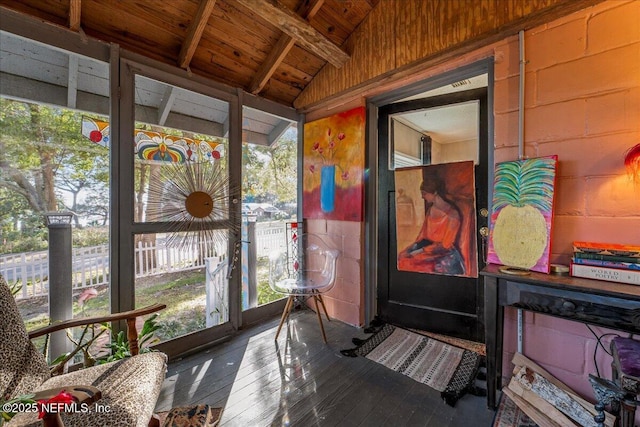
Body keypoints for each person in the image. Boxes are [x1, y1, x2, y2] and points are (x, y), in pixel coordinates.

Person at [398, 176, 465, 275]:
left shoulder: (452, 214)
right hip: (428, 250)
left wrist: (418, 252)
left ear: (435, 192)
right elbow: (422, 237)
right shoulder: (430, 210)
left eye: (424, 193)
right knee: (402, 258)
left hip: (445, 255)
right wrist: (408, 249)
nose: (422, 197)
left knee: (413, 264)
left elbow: (445, 246)